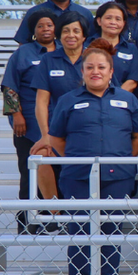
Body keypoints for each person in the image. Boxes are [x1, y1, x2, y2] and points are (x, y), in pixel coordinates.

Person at [45, 41, 138, 275]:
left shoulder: (128, 100)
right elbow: (56, 138)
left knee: (111, 231)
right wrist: (73, 158)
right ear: (82, 71)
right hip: (77, 177)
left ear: (111, 72)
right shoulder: (68, 100)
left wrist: (121, 158)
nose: (95, 71)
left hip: (118, 177)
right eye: (89, 66)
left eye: (101, 67)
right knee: (79, 230)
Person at [2, 9, 57, 233]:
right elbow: (9, 86)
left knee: (59, 174)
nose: (45, 29)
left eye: (50, 25)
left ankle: (54, 221)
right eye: (40, 26)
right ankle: (27, 223)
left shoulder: (65, 52)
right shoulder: (23, 53)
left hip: (57, 127)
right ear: (33, 31)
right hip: (28, 127)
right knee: (29, 175)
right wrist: (16, 115)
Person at [30, 11, 96, 171]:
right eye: (66, 31)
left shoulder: (94, 59)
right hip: (57, 128)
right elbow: (41, 101)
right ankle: (51, 197)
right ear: (58, 35)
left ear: (84, 36)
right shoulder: (48, 60)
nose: (71, 35)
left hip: (88, 127)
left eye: (76, 31)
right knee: (40, 155)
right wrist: (46, 135)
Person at [89, 1, 138, 94]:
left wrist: (114, 97)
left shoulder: (131, 49)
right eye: (108, 18)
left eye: (118, 19)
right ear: (99, 21)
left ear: (124, 23)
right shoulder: (87, 45)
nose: (113, 22)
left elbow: (132, 81)